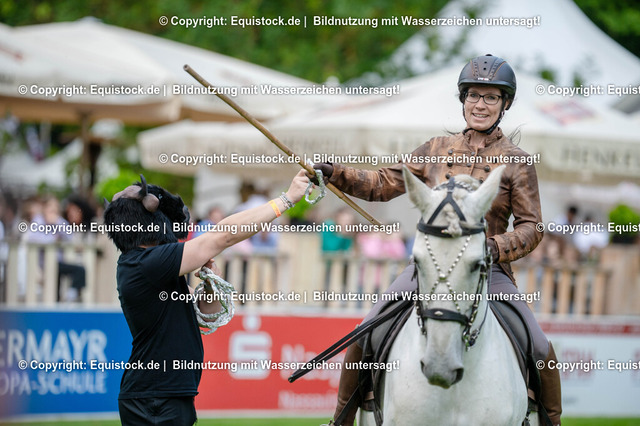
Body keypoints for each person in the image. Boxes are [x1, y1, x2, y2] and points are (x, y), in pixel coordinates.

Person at [314, 55, 562, 425]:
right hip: (428, 268)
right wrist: (335, 172)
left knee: (540, 347)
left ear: (505, 103)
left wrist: (493, 248)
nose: (480, 105)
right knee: (366, 332)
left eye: (491, 97)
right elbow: (382, 183)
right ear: (463, 99)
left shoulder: (518, 161)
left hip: (488, 271)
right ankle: (341, 420)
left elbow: (532, 228)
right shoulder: (434, 149)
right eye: (473, 95)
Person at [103, 170, 308, 426]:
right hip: (154, 398)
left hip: (164, 395)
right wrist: (286, 200)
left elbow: (206, 314)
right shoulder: (146, 263)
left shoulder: (147, 265)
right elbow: (222, 236)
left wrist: (210, 285)